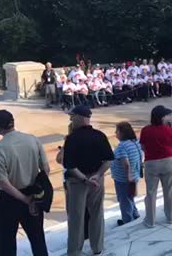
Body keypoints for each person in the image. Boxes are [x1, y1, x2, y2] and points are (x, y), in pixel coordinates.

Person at [0, 110, 50, 256]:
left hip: (9, 200)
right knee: (38, 240)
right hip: (33, 195)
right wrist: (34, 197)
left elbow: (3, 183)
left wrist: (24, 199)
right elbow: (45, 169)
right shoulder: (33, 139)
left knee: (5, 243)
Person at [63, 105, 114, 256]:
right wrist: (97, 175)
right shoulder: (99, 135)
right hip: (96, 181)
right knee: (97, 214)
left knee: (76, 218)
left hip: (78, 182)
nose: (71, 119)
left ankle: (74, 251)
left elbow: (69, 166)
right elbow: (109, 160)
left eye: (73, 116)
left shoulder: (72, 139)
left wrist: (85, 180)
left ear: (81, 117)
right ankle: (97, 248)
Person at [140, 106, 172, 227]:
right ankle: (170, 217)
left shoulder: (145, 130)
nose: (167, 117)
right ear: (161, 117)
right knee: (169, 191)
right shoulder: (168, 130)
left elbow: (143, 147)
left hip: (152, 163)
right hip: (167, 161)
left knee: (151, 193)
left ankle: (150, 221)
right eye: (166, 115)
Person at [111, 122, 143, 226]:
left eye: (117, 131)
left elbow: (126, 163)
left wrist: (128, 176)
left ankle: (128, 221)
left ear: (122, 133)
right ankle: (135, 214)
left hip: (123, 179)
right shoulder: (136, 142)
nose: (115, 133)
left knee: (124, 200)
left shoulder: (122, 147)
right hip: (135, 175)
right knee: (130, 197)